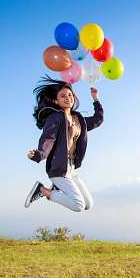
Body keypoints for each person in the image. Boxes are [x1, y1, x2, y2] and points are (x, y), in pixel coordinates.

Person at [24, 75, 104, 212]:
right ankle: (42, 190)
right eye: (62, 96)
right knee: (78, 205)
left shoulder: (78, 119)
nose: (68, 98)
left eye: (70, 95)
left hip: (71, 169)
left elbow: (98, 119)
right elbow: (48, 138)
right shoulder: (55, 118)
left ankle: (55, 188)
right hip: (58, 168)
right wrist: (39, 154)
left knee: (88, 204)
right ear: (55, 101)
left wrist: (95, 98)